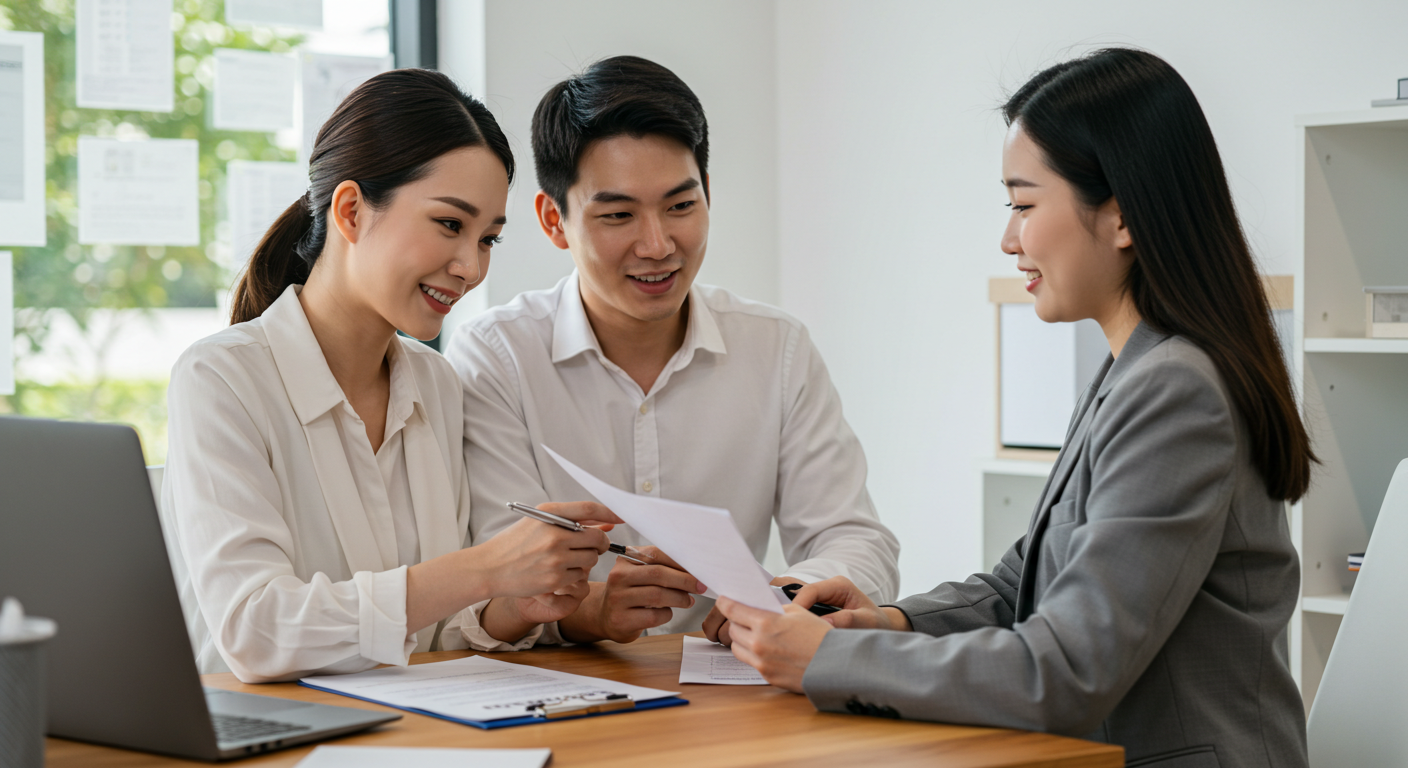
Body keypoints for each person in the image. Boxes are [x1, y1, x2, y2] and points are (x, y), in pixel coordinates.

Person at [716, 48, 1313, 768]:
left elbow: (1063, 670)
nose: (1009, 239)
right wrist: (883, 621)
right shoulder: (1140, 368)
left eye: (1024, 205)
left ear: (1121, 216)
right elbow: (1024, 581)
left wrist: (826, 662)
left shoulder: (1174, 389)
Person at [161, 69, 620, 683]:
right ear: (351, 210)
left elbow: (426, 630)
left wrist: (515, 605)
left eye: (488, 240)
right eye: (450, 225)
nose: (470, 267)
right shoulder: (221, 378)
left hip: (402, 733)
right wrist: (485, 568)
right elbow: (256, 630)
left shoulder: (436, 384)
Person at [443, 56, 900, 650]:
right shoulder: (497, 356)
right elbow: (492, 581)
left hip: (740, 687)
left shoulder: (775, 348)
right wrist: (592, 610)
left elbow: (856, 538)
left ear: (708, 193)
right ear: (554, 220)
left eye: (681, 206)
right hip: (561, 689)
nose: (658, 245)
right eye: (618, 215)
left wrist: (787, 596)